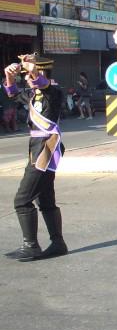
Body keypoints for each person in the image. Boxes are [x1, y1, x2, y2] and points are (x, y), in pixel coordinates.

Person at [3, 54, 68, 260]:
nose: (27, 78)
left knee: (22, 200)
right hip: (37, 148)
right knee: (44, 198)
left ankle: (30, 245)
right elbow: (13, 93)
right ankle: (58, 243)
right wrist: (9, 76)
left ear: (41, 72)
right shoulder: (34, 95)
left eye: (30, 74)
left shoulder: (54, 92)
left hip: (46, 149)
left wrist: (33, 71)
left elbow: (43, 83)